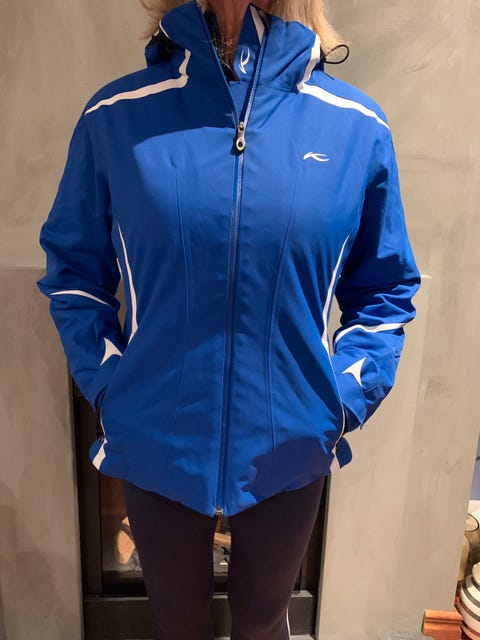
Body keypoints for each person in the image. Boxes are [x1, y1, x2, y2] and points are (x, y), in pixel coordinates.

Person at [36, 0, 421, 638]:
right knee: (177, 623)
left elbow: (384, 288)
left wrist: (339, 401)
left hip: (292, 441)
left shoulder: (356, 127)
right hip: (154, 433)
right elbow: (75, 272)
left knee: (265, 622)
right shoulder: (116, 117)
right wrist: (110, 385)